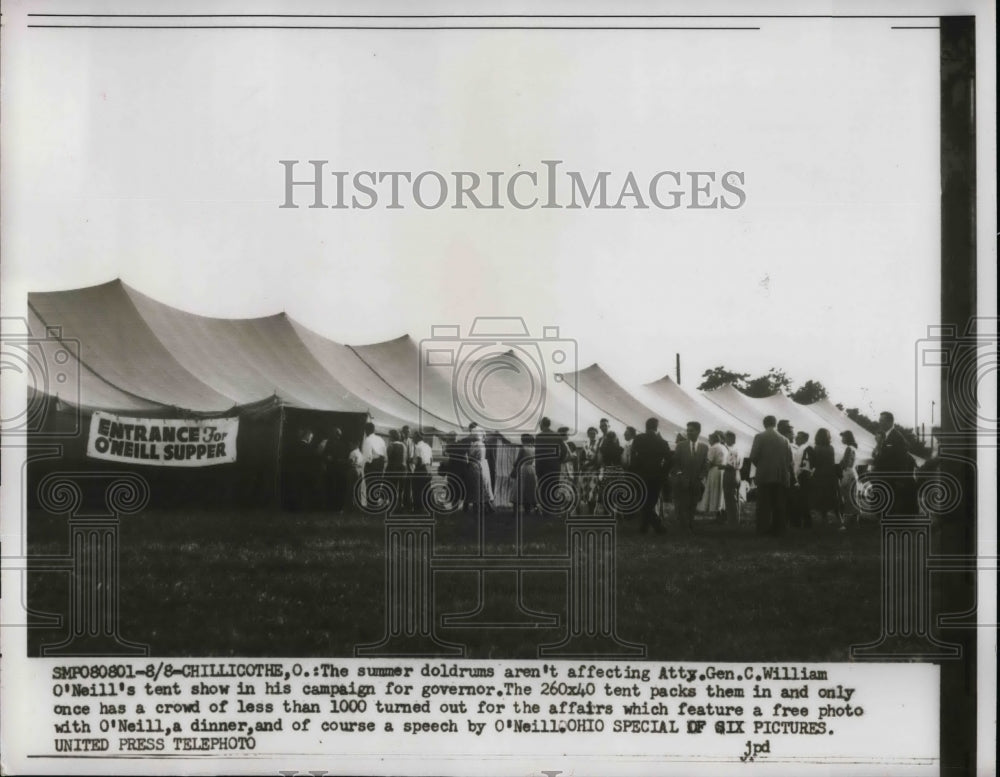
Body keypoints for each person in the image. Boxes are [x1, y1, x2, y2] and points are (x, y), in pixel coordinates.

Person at [748, 415, 793, 536]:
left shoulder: (759, 437)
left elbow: (753, 456)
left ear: (764, 424)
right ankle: (779, 529)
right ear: (775, 424)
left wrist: (761, 466)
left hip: (764, 474)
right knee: (778, 503)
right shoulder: (785, 439)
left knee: (763, 503)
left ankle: (763, 529)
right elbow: (790, 459)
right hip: (780, 475)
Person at [870, 411, 916, 515]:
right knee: (882, 504)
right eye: (879, 420)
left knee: (890, 505)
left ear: (890, 422)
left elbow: (903, 460)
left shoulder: (897, 437)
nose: (879, 422)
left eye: (882, 420)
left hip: (890, 478)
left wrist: (900, 480)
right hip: (881, 477)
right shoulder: (884, 436)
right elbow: (878, 455)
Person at [632, 418, 672, 534]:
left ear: (646, 426)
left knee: (643, 502)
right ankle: (655, 527)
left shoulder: (638, 439)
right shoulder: (662, 442)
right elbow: (669, 459)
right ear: (656, 428)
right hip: (656, 476)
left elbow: (633, 457)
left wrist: (635, 470)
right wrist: (663, 472)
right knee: (650, 502)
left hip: (640, 475)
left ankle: (649, 527)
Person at [670, 421, 708, 530]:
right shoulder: (681, 446)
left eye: (691, 430)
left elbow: (705, 464)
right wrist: (680, 475)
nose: (689, 433)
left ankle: (690, 524)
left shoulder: (704, 447)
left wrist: (701, 476)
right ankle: (682, 525)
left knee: (693, 503)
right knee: (682, 504)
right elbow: (675, 462)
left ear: (698, 431)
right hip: (683, 480)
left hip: (696, 480)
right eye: (688, 430)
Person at [811, 428, 843, 528]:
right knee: (834, 498)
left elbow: (814, 464)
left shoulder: (816, 448)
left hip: (820, 475)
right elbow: (832, 462)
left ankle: (824, 520)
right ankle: (840, 520)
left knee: (822, 498)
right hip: (830, 475)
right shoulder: (831, 448)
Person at [534, 417, 564, 518]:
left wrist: (537, 468)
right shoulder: (557, 435)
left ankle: (546, 512)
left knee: (543, 488)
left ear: (542, 424)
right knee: (554, 487)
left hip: (542, 465)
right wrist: (560, 460)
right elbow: (564, 450)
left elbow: (537, 454)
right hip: (555, 466)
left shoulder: (539, 436)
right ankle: (555, 510)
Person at [466, 424, 495, 513]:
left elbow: (471, 456)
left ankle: (479, 507)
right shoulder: (481, 444)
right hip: (482, 465)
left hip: (476, 466)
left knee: (477, 486)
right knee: (483, 485)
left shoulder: (476, 445)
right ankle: (486, 506)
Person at [698, 431, 727, 520]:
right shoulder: (724, 447)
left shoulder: (713, 447)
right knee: (720, 492)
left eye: (709, 439)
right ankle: (721, 511)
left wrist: (703, 473)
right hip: (723, 471)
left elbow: (709, 462)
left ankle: (716, 512)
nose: (709, 441)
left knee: (714, 490)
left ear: (713, 439)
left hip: (715, 470)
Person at [511, 433, 539, 514]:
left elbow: (518, 460)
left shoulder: (523, 448)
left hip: (523, 468)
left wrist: (514, 465)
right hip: (531, 469)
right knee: (529, 489)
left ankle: (515, 510)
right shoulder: (534, 448)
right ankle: (528, 509)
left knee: (519, 489)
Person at [324, 427, 350, 513]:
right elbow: (325, 455)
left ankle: (334, 507)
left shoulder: (335, 444)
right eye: (336, 434)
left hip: (336, 468)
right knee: (332, 487)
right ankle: (333, 507)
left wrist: (331, 458)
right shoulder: (331, 443)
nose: (337, 436)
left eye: (337, 434)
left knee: (334, 488)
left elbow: (344, 458)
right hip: (334, 469)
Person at [791, 431, 814, 528]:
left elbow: (806, 465)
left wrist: (799, 478)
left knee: (803, 501)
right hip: (800, 475)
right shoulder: (800, 448)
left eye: (799, 437)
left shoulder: (807, 448)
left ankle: (805, 522)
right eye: (796, 437)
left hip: (804, 476)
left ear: (805, 439)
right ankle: (799, 522)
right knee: (799, 501)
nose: (796, 439)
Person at [578, 426, 601, 513]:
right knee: (585, 491)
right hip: (584, 471)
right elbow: (581, 456)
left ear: (596, 434)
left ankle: (592, 512)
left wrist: (588, 465)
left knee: (593, 490)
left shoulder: (599, 444)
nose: (592, 435)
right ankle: (587, 510)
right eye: (590, 433)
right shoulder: (585, 444)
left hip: (593, 470)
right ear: (588, 434)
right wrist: (581, 465)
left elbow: (597, 459)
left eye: (594, 433)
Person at [838, 430, 859, 521]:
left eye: (843, 437)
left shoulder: (848, 448)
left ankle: (844, 517)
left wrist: (838, 466)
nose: (842, 439)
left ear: (847, 438)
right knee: (851, 496)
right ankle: (854, 517)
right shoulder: (854, 448)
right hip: (852, 472)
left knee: (843, 495)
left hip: (847, 472)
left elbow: (845, 463)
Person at [722, 431, 742, 525]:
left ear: (730, 439)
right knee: (735, 497)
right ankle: (736, 519)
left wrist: (719, 465)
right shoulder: (739, 449)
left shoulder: (732, 451)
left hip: (731, 474)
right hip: (737, 474)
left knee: (730, 498)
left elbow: (730, 466)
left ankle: (732, 520)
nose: (724, 440)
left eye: (726, 438)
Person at [411, 431, 433, 512]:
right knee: (426, 488)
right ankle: (427, 507)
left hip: (420, 469)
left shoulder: (417, 447)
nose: (413, 438)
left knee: (417, 489)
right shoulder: (428, 446)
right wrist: (429, 470)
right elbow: (431, 460)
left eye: (413, 437)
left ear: (417, 437)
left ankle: (417, 508)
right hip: (428, 468)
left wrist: (412, 461)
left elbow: (418, 461)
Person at [385, 429, 407, 506]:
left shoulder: (391, 445)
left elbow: (388, 458)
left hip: (393, 469)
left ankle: (392, 503)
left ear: (392, 436)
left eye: (389, 436)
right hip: (403, 469)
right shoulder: (404, 445)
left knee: (392, 487)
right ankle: (400, 504)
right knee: (401, 489)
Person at [400, 425, 415, 508]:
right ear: (402, 432)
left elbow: (414, 453)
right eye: (405, 432)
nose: (406, 433)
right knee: (402, 485)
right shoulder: (400, 441)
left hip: (410, 466)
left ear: (410, 432)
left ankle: (408, 502)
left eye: (408, 432)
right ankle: (401, 503)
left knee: (409, 486)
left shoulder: (412, 442)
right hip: (403, 466)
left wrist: (412, 460)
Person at [348, 439, 366, 508]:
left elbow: (350, 462)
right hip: (359, 471)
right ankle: (355, 505)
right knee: (356, 489)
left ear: (356, 444)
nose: (350, 445)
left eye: (352, 444)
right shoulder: (360, 453)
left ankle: (349, 505)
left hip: (353, 470)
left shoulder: (352, 452)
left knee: (350, 488)